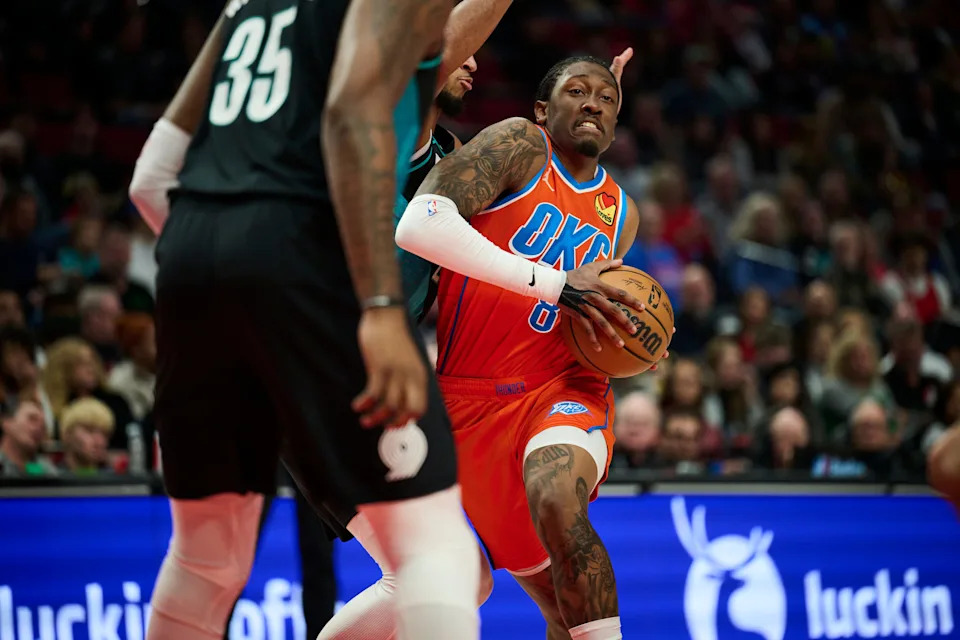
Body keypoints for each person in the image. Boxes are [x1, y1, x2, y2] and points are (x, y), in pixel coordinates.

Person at [128, 0, 498, 637]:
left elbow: (150, 180)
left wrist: (230, 286)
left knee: (204, 564)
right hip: (311, 285)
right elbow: (356, 117)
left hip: (194, 265)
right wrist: (372, 308)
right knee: (440, 555)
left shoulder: (242, 14)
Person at [395, 55, 661, 640]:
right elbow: (420, 224)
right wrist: (558, 284)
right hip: (470, 399)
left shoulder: (624, 213)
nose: (594, 103)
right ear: (543, 108)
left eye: (607, 98)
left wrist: (632, 337)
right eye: (578, 90)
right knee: (557, 609)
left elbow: (601, 312)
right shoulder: (518, 144)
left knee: (556, 488)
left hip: (563, 388)